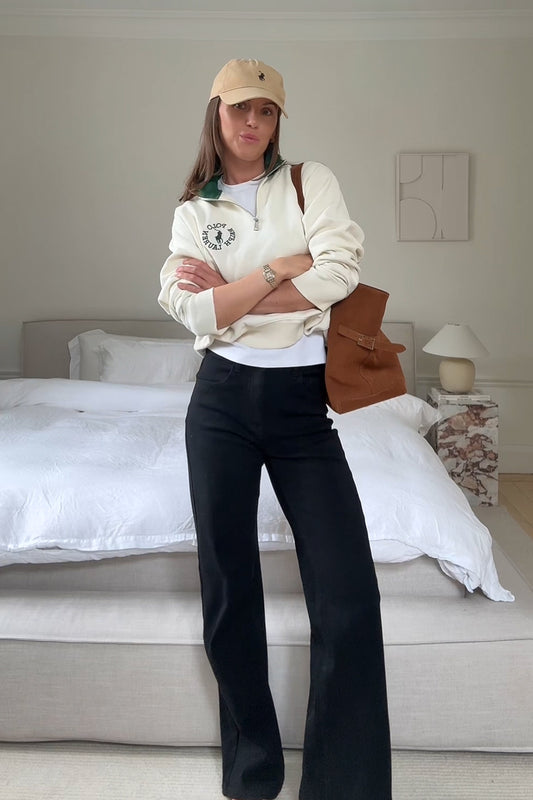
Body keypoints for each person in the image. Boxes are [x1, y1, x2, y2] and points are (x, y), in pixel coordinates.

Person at [158, 58, 391, 800]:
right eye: (240, 109)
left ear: (277, 120)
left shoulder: (309, 182)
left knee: (347, 592)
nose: (252, 123)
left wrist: (233, 294)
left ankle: (344, 786)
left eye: (265, 111)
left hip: (300, 407)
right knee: (229, 591)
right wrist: (275, 274)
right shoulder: (194, 211)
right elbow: (193, 311)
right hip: (220, 404)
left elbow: (338, 274)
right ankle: (252, 774)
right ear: (216, 114)